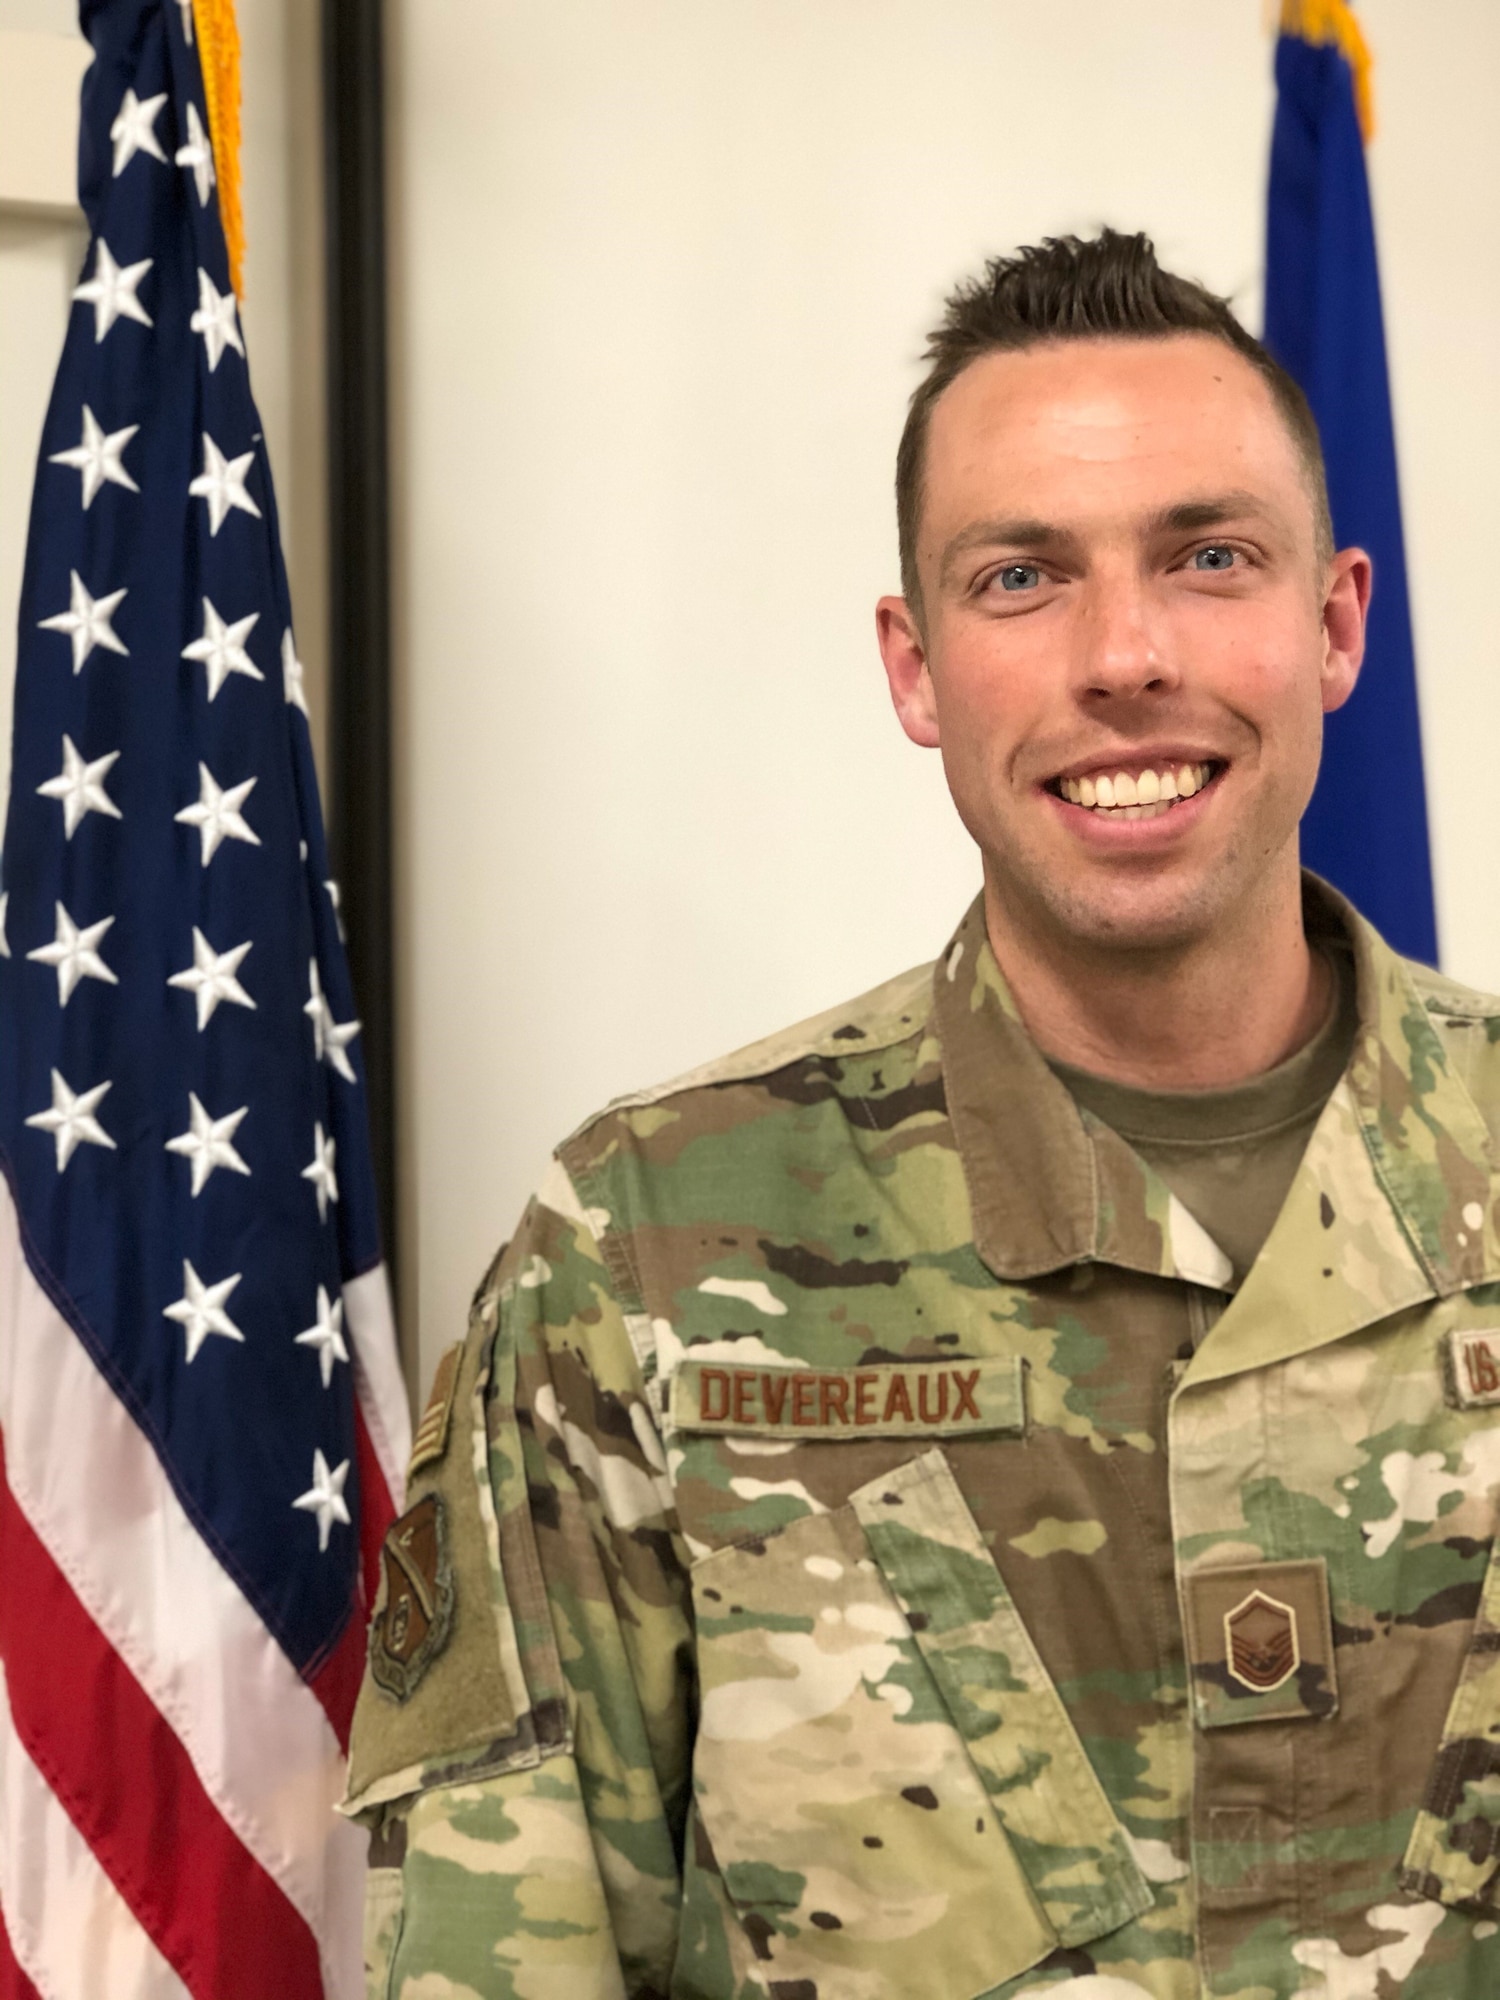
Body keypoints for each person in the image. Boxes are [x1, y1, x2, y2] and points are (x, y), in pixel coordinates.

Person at [345, 230, 1500, 1999]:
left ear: (1334, 624)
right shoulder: (650, 1249)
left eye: (1208, 557)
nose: (1126, 656)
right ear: (915, 665)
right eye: (1022, 577)